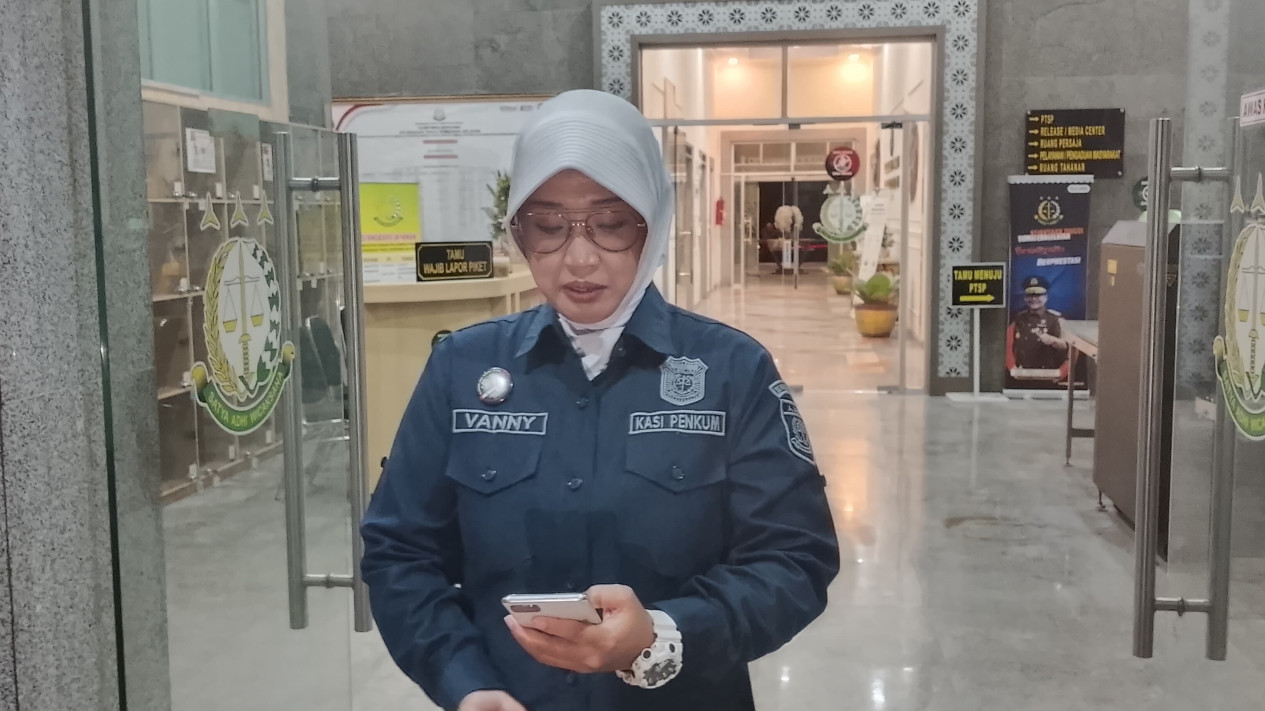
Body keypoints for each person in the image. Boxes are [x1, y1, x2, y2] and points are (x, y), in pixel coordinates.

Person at [360, 90, 840, 711]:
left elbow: (795, 559)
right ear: (518, 230)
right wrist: (466, 682)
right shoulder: (462, 366)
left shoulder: (731, 370)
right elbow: (400, 550)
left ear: (653, 223)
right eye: (548, 227)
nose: (579, 259)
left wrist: (661, 637)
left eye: (611, 224)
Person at [1010, 275, 1067, 370]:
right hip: (1023, 372)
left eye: (1038, 295)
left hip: (1047, 372)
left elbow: (1066, 346)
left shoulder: (1054, 319)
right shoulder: (1020, 317)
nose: (1033, 299)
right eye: (1030, 295)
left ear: (1046, 297)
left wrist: (1053, 340)